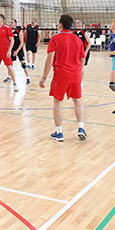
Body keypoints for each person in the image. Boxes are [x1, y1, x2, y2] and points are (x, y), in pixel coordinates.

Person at [39, 13, 86, 141]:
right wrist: (78, 73)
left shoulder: (55, 39)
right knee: (77, 100)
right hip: (75, 75)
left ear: (60, 25)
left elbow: (50, 59)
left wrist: (44, 77)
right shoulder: (78, 40)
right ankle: (81, 128)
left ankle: (59, 132)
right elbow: (82, 60)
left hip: (61, 75)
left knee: (58, 101)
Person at [6, 20, 31, 85]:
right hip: (12, 49)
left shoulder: (19, 31)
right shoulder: (8, 31)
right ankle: (9, 77)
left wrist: (17, 51)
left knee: (23, 64)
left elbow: (22, 43)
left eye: (12, 22)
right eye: (10, 22)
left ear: (15, 24)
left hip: (19, 49)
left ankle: (28, 78)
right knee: (10, 64)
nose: (10, 23)